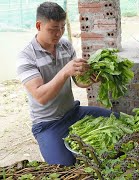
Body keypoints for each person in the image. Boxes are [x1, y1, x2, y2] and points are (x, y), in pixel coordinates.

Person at [16, 2, 116, 166]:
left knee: (117, 120)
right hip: (47, 124)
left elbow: (78, 81)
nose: (58, 33)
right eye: (53, 29)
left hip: (73, 112)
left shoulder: (65, 45)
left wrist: (94, 77)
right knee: (64, 166)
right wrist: (64, 72)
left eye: (62, 27)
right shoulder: (26, 56)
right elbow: (41, 97)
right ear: (39, 25)